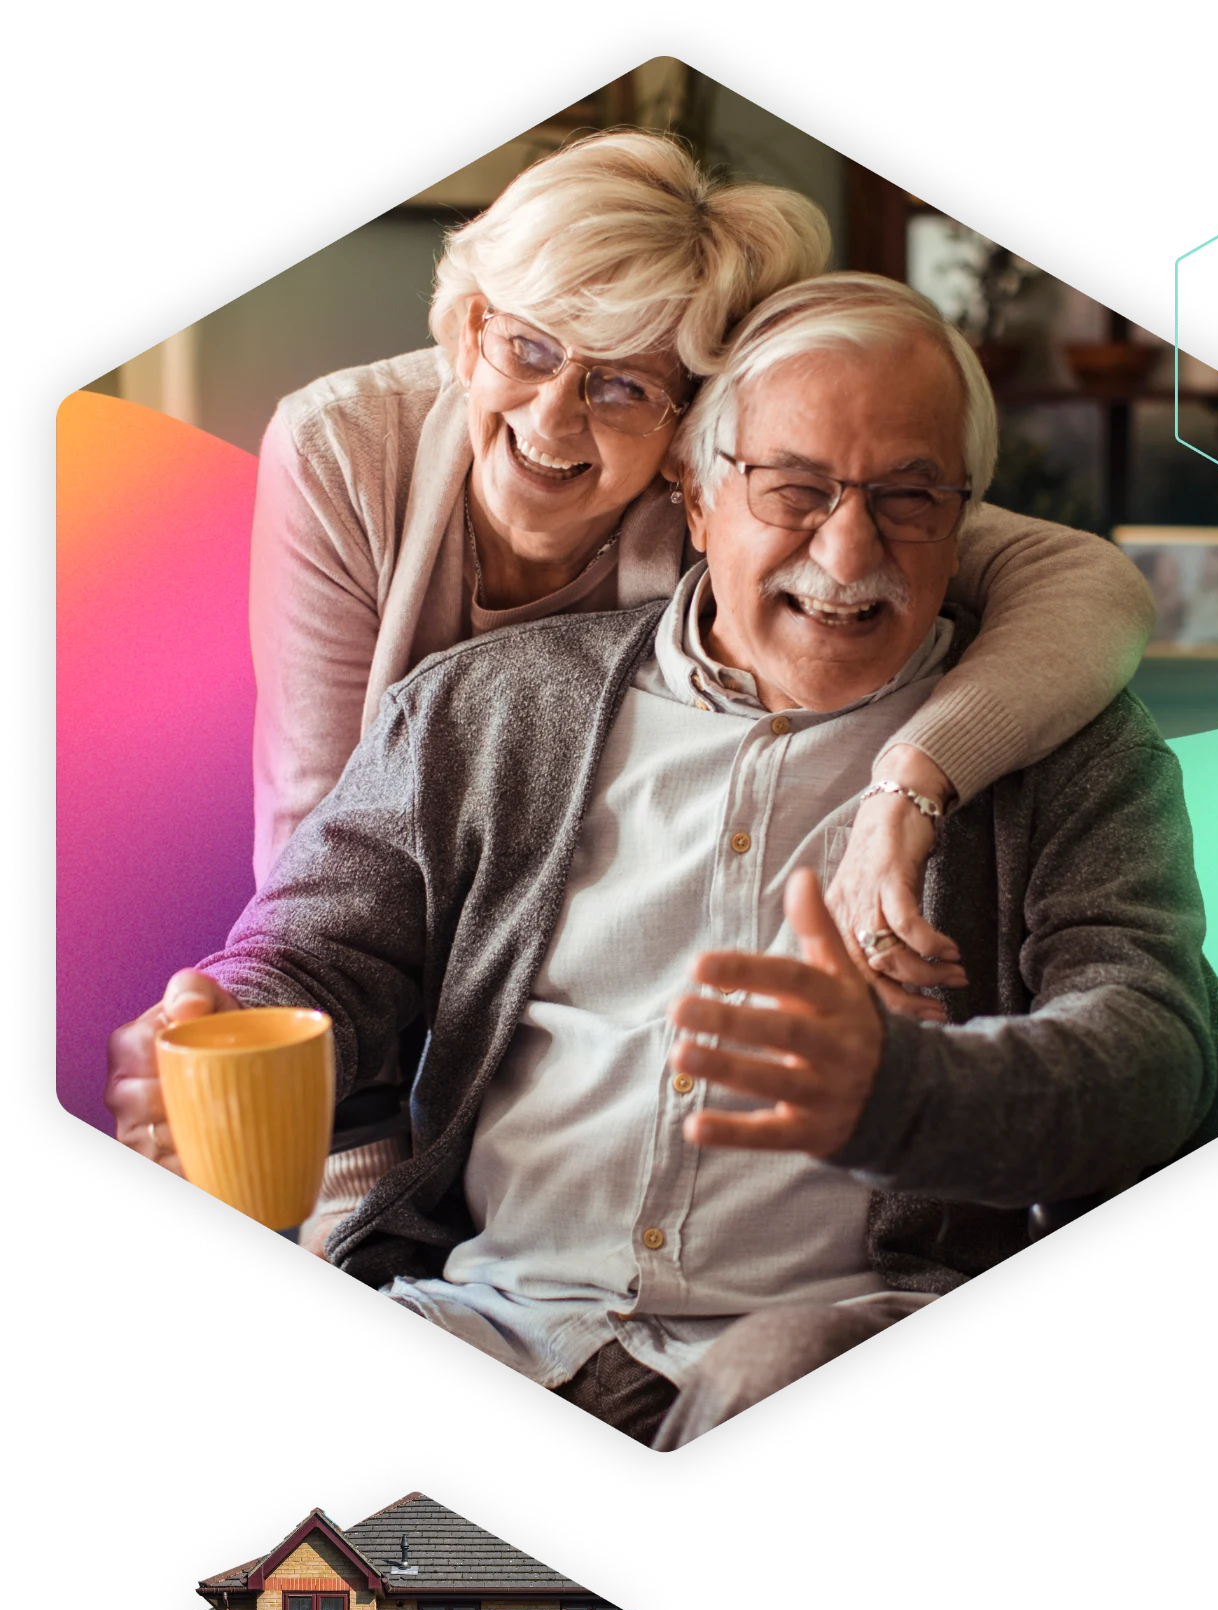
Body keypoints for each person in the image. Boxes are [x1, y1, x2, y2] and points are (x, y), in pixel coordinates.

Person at [108, 274, 1218, 1451]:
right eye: (795, 489)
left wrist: (901, 1094)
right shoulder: (481, 710)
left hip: (825, 1339)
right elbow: (316, 954)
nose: (848, 548)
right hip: (490, 1316)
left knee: (779, 1385)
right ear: (698, 499)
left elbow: (1151, 1058)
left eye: (909, 497)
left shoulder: (1068, 750)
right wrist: (216, 1022)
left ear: (962, 518)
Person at [247, 129, 1154, 1246]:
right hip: (488, 1276)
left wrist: (911, 786)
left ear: (681, 435)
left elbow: (1082, 584)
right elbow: (319, 893)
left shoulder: (1037, 719)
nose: (552, 419)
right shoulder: (362, 478)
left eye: (622, 383)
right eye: (527, 345)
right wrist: (343, 1201)